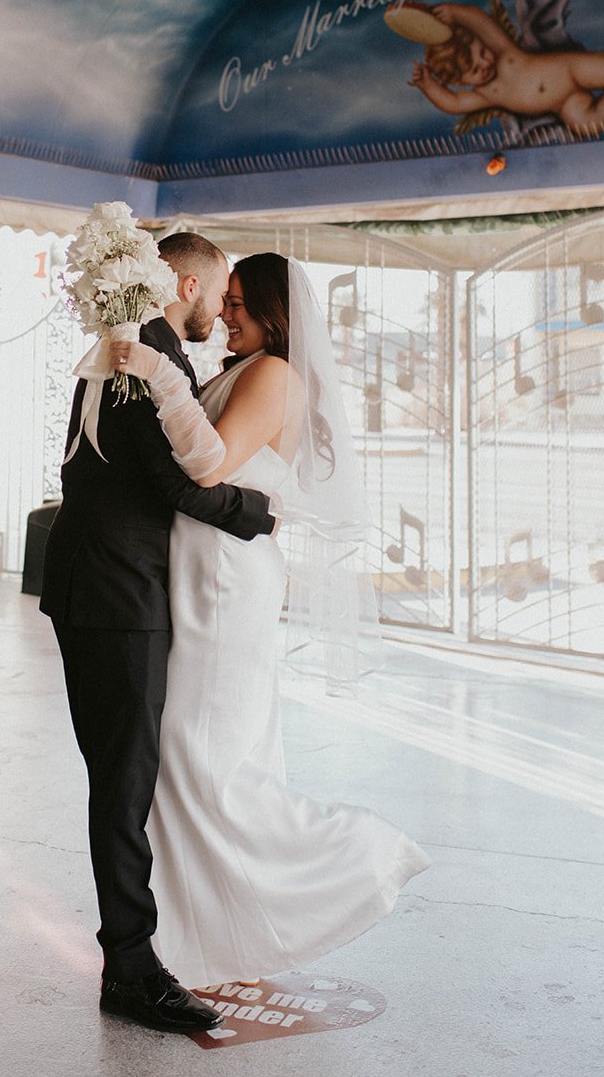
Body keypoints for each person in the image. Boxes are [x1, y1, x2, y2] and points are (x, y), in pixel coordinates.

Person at [111, 252, 429, 986]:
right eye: (225, 301)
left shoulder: (275, 374)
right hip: (202, 568)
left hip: (226, 577)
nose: (226, 314)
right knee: (200, 757)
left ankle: (361, 854)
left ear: (274, 310)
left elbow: (210, 465)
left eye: (239, 303)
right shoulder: (244, 368)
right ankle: (218, 938)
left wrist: (158, 375)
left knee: (205, 758)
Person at [40, 232, 278, 1034]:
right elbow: (175, 482)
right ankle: (131, 968)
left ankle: (139, 947)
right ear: (186, 285)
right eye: (221, 295)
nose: (223, 313)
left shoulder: (143, 344)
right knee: (124, 779)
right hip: (115, 588)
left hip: (109, 580)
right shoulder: (141, 350)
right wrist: (264, 514)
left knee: (127, 772)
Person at [409, 2, 604, 135]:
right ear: (459, 80)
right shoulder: (485, 95)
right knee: (585, 125)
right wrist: (428, 85)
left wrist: (455, 13)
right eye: (474, 69)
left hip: (573, 69)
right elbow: (453, 104)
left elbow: (482, 23)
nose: (485, 63)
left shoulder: (504, 53)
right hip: (565, 103)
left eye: (482, 53)